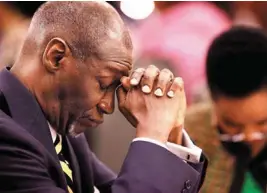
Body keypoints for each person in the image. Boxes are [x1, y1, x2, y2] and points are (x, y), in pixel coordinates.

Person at [0, 2, 207, 193]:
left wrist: (170, 136)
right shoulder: (6, 137)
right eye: (104, 84)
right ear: (57, 57)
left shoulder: (65, 133)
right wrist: (152, 135)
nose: (109, 106)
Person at [174, 26, 266, 193]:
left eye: (262, 122)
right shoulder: (186, 133)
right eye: (232, 125)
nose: (249, 136)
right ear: (212, 100)